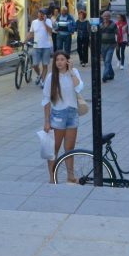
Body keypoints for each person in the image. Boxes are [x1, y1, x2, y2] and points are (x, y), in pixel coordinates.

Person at [42, 50, 84, 183]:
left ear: (67, 61)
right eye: (57, 60)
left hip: (72, 114)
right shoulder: (51, 77)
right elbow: (46, 100)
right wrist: (47, 121)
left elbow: (79, 87)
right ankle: (52, 178)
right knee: (54, 149)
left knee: (69, 149)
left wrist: (71, 71)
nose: (59, 62)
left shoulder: (74, 72)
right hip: (58, 115)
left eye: (62, 59)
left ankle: (70, 176)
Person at [27, 7, 55, 86]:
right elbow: (31, 33)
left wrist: (45, 22)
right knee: (35, 65)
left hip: (46, 47)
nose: (41, 15)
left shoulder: (48, 21)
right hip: (36, 47)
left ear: (45, 15)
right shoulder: (34, 22)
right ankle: (39, 75)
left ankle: (42, 81)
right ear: (38, 13)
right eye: (40, 13)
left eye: (43, 13)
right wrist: (24, 40)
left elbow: (50, 32)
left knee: (45, 65)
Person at [98, 11, 118, 81]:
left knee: (107, 61)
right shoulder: (100, 25)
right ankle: (111, 74)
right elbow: (98, 36)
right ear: (102, 17)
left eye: (107, 16)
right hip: (103, 45)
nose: (106, 17)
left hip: (111, 45)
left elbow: (118, 34)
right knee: (106, 61)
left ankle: (105, 76)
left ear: (109, 17)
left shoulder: (113, 25)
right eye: (104, 16)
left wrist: (117, 44)